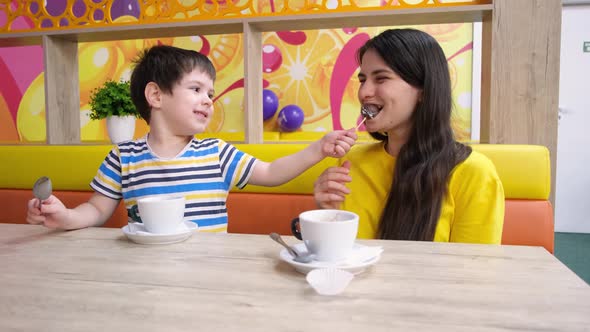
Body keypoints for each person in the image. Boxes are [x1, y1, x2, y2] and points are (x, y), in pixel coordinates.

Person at [26, 45, 357, 231]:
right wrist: (65, 216)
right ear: (156, 96)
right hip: (145, 273)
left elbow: (271, 173)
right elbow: (96, 210)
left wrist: (318, 148)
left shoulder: (215, 153)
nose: (207, 100)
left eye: (210, 93)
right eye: (196, 89)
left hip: (209, 273)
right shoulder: (123, 157)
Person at [313, 29, 504, 244]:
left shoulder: (474, 173)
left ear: (423, 89)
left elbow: (473, 271)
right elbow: (336, 258)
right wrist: (325, 215)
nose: (364, 92)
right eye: (363, 79)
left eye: (381, 78)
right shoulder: (350, 162)